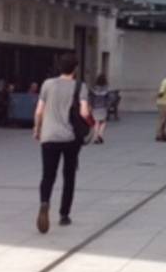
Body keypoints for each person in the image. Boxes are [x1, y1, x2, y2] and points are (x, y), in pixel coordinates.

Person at [34, 52, 91, 232]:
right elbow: (83, 113)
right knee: (69, 175)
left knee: (48, 175)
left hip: (49, 136)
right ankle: (64, 214)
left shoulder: (47, 84)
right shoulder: (80, 87)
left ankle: (44, 202)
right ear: (75, 68)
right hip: (70, 137)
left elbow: (39, 111)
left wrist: (37, 129)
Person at [89, 73, 111, 145]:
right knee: (103, 122)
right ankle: (100, 135)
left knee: (96, 122)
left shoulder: (94, 89)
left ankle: (95, 137)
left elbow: (91, 99)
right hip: (103, 107)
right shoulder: (106, 89)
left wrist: (91, 106)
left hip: (95, 107)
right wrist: (108, 107)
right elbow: (108, 99)